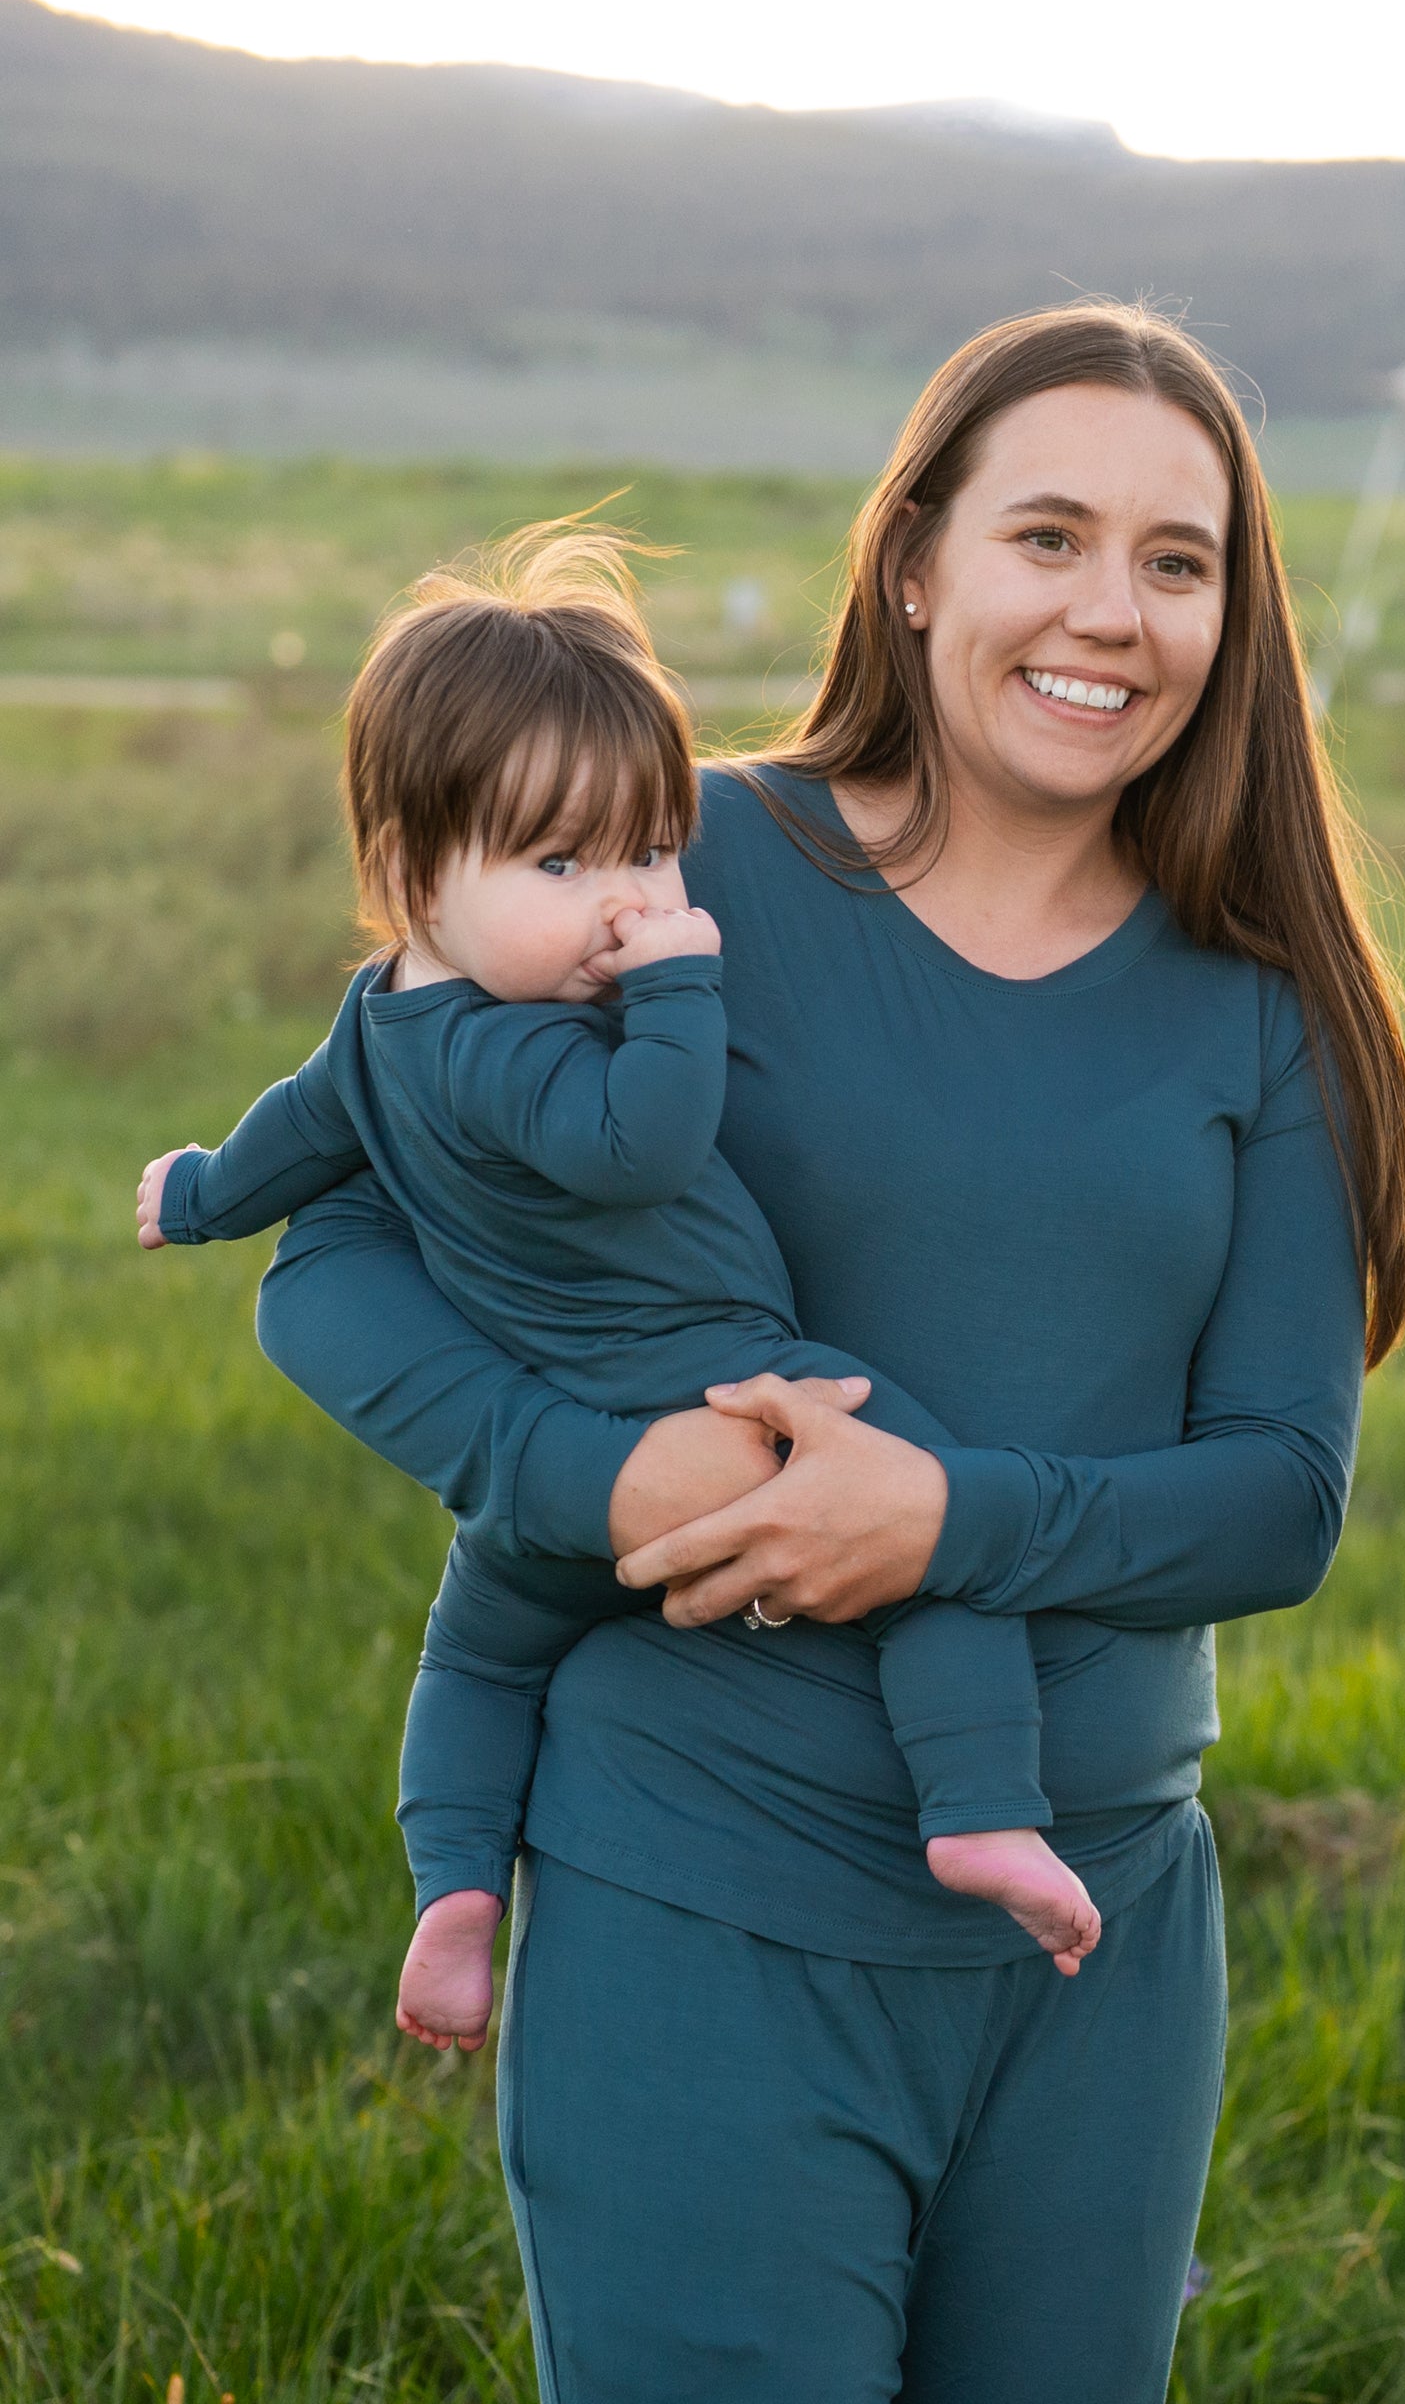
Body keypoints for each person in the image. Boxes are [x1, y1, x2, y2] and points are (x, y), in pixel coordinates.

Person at [250, 304, 1405, 2404]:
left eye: (1179, 560)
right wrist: (596, 1483)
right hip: (703, 1919)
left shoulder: (1260, 1007)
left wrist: (946, 1519)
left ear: (1238, 622)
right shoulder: (683, 878)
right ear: (912, 565)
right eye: (1047, 536)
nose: (1110, 608)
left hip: (1089, 1958)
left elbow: (1278, 1497)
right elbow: (327, 1246)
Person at [137, 530, 1092, 2053]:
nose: (627, 903)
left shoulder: (375, 1027)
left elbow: (287, 1137)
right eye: (562, 865)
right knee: (933, 1518)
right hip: (725, 1383)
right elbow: (639, 1149)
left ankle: (455, 1888)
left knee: (477, 1652)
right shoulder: (531, 1050)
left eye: (654, 854)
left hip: (554, 1482)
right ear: (405, 875)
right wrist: (679, 982)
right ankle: (982, 1806)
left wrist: (192, 1195)